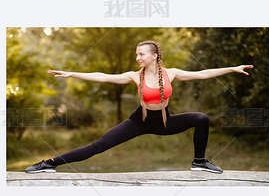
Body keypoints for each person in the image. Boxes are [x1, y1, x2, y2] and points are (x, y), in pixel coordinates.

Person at [25, 40, 254, 174]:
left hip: (165, 122)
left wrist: (232, 68)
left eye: (141, 54)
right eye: (137, 54)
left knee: (201, 118)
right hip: (139, 121)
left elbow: (203, 73)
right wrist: (72, 73)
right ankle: (49, 163)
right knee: (98, 146)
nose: (138, 57)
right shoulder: (134, 76)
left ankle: (199, 161)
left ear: (154, 56)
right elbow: (103, 77)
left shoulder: (171, 73)